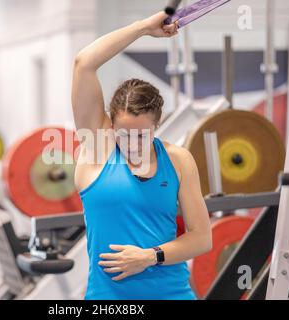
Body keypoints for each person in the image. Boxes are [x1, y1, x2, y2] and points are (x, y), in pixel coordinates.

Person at [71, 11, 212, 300]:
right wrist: (143, 28)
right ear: (110, 123)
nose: (132, 142)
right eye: (124, 133)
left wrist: (150, 257)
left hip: (173, 293)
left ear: (157, 125)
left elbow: (202, 237)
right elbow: (84, 63)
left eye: (142, 134)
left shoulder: (178, 160)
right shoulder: (97, 147)